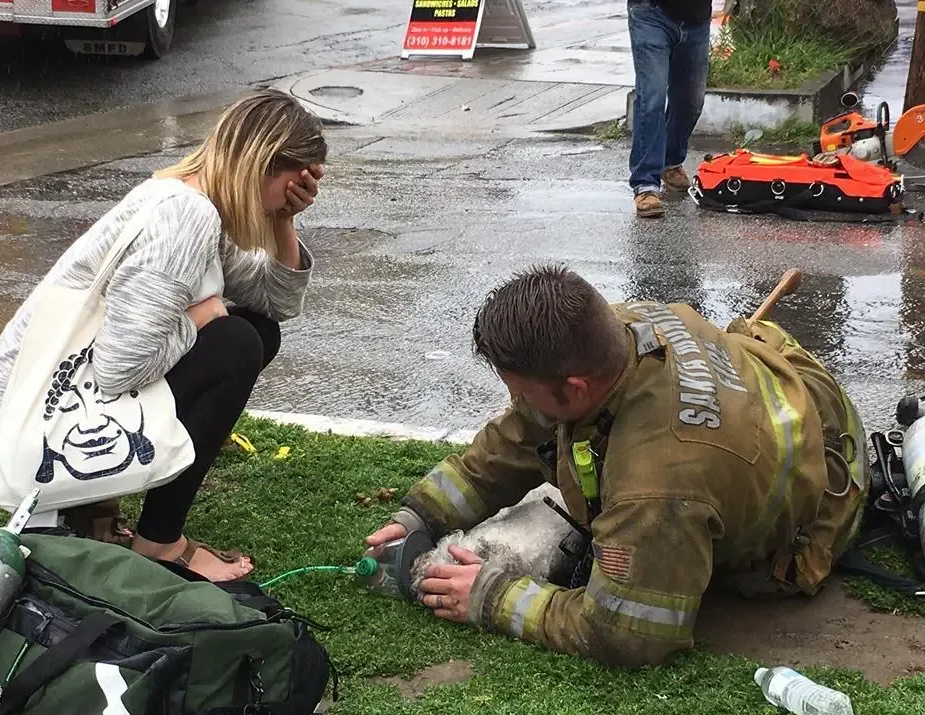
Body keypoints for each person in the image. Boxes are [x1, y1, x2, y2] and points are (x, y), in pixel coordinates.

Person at [365, 264, 870, 668]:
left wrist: (493, 596)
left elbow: (629, 633)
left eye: (520, 390)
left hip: (824, 489)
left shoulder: (658, 483)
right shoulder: (615, 328)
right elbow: (517, 437)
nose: (514, 401)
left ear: (577, 388)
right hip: (784, 386)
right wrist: (420, 515)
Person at [0, 88, 326, 582]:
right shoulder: (185, 216)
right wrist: (205, 316)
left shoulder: (203, 204)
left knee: (255, 332)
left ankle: (94, 508)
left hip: (49, 414)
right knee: (235, 343)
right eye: (295, 185)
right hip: (31, 442)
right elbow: (119, 369)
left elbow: (278, 305)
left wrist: (284, 220)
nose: (297, 195)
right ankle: (159, 542)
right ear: (264, 164)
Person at [627, 0, 712, 218]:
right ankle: (645, 184)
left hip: (696, 18)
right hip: (650, 13)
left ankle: (670, 161)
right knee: (652, 97)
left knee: (691, 102)